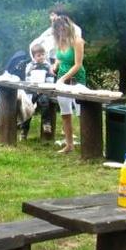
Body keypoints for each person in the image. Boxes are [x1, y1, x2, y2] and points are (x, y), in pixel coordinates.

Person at [53, 16, 86, 154]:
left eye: (63, 29)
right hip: (62, 77)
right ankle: (69, 144)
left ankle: (87, 143)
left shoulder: (77, 41)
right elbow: (60, 58)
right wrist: (55, 65)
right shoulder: (60, 41)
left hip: (76, 78)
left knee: (81, 112)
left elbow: (78, 64)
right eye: (58, 30)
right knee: (65, 112)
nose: (62, 33)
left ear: (69, 27)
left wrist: (63, 78)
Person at [21, 43, 54, 140]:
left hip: (43, 90)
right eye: (38, 55)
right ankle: (24, 130)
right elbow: (27, 79)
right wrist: (34, 88)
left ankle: (46, 123)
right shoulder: (30, 66)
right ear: (34, 56)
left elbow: (50, 80)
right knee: (28, 107)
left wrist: (43, 88)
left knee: (44, 101)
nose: (41, 57)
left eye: (43, 55)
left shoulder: (47, 66)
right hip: (31, 91)